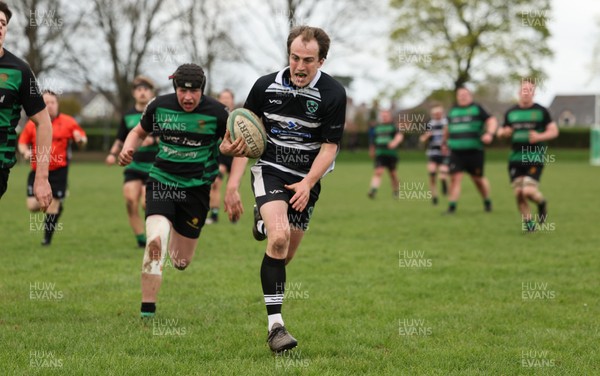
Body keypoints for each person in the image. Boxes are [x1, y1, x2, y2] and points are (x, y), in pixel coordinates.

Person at [220, 26, 346, 353]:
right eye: (294, 57)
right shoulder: (265, 86)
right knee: (278, 237)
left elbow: (330, 147)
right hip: (271, 170)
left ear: (321, 60)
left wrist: (308, 182)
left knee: (283, 255)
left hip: (307, 179)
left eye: (308, 60)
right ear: (288, 54)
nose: (299, 66)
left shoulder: (333, 94)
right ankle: (276, 327)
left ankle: (261, 218)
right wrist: (230, 166)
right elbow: (243, 133)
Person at [118, 64, 229, 319]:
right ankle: (148, 311)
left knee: (180, 261)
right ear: (175, 88)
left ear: (203, 89)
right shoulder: (159, 106)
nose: (188, 97)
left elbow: (238, 148)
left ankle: (172, 240)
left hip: (196, 190)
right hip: (161, 182)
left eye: (194, 92)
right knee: (155, 241)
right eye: (182, 91)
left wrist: (232, 185)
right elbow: (137, 131)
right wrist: (128, 148)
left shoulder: (218, 113)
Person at [0, 1, 52, 208]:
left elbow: (44, 123)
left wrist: (41, 178)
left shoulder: (19, 71)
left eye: (3, 23)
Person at [18, 91, 87, 245]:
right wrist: (25, 151)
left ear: (58, 104)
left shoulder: (69, 122)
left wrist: (80, 139)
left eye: (52, 102)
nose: (49, 106)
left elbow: (82, 139)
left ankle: (46, 240)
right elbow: (22, 143)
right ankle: (58, 204)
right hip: (37, 171)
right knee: (33, 206)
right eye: (46, 102)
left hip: (59, 171)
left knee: (52, 204)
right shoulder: (33, 123)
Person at [497, 80, 558, 231]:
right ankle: (530, 224)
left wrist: (539, 137)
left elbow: (554, 131)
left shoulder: (541, 111)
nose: (526, 92)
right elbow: (500, 132)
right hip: (515, 158)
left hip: (534, 156)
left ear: (534, 93)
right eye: (523, 89)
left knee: (528, 191)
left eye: (529, 90)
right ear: (519, 92)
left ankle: (541, 202)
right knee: (518, 193)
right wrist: (503, 133)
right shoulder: (511, 112)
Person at [106, 76, 158, 247]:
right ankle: (141, 239)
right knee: (130, 200)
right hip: (134, 165)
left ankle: (155, 234)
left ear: (151, 93)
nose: (142, 93)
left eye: (146, 90)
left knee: (146, 203)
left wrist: (154, 141)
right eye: (139, 90)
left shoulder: (158, 112)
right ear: (134, 93)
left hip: (154, 166)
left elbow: (169, 137)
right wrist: (113, 154)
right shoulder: (127, 116)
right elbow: (120, 138)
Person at [443, 87, 497, 214]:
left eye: (465, 94)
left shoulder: (477, 109)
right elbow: (447, 128)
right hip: (456, 152)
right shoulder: (453, 111)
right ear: (457, 97)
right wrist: (444, 143)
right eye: (460, 95)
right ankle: (452, 207)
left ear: (470, 96)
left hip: (474, 151)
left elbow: (492, 120)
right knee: (455, 178)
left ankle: (487, 201)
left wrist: (489, 133)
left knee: (477, 179)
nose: (462, 97)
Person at [205, 88, 236, 224]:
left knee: (233, 187)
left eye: (227, 98)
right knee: (216, 182)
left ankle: (234, 215)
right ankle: (215, 214)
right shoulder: (216, 116)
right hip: (221, 156)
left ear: (232, 100)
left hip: (237, 156)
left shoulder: (239, 116)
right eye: (222, 98)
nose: (225, 100)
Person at [367, 109, 403, 199]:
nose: (384, 117)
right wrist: (372, 149)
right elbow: (373, 140)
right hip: (380, 153)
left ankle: (396, 191)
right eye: (383, 116)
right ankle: (373, 190)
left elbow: (400, 136)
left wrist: (395, 142)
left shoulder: (393, 127)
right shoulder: (377, 127)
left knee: (393, 175)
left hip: (391, 154)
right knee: (378, 171)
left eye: (386, 116)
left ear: (390, 116)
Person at [419, 104, 449, 205]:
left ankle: (444, 184)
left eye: (438, 113)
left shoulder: (447, 123)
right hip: (432, 152)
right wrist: (427, 136)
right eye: (435, 114)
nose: (437, 115)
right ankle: (434, 197)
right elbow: (422, 139)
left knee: (443, 174)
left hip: (444, 153)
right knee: (432, 174)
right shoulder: (430, 124)